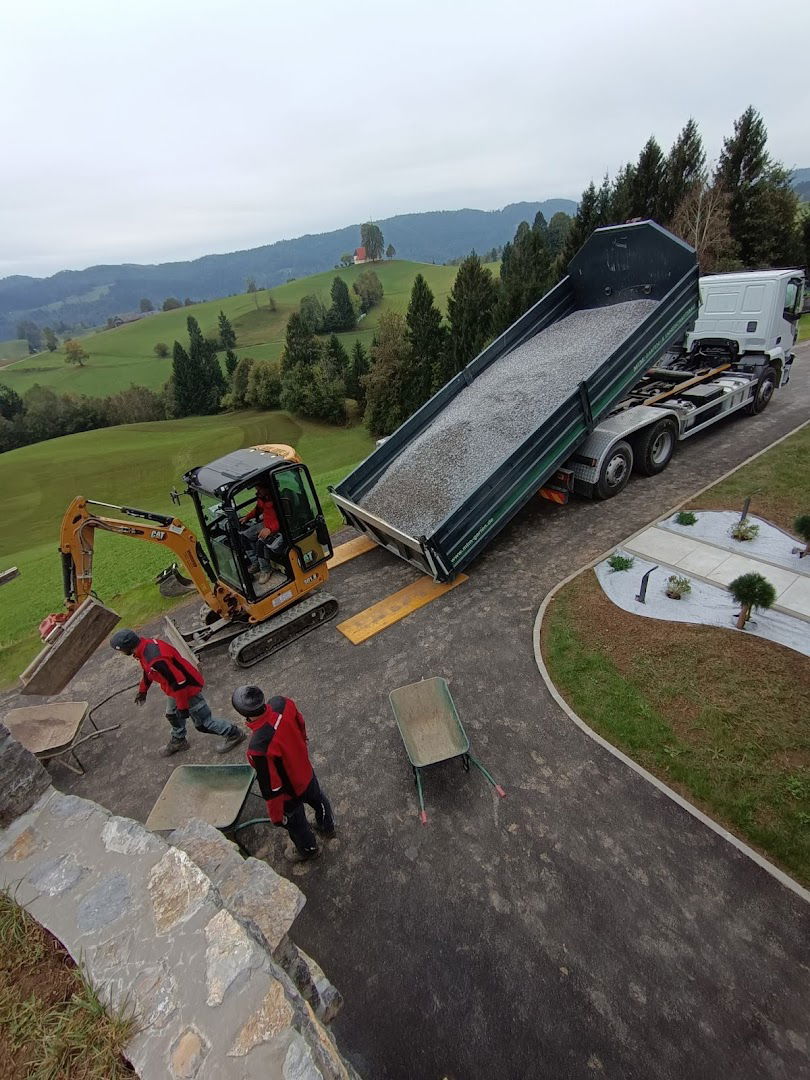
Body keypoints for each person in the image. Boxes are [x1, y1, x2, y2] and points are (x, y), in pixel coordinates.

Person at [232, 686, 334, 862]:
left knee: (297, 825)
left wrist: (277, 816)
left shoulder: (258, 747)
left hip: (289, 794)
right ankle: (328, 826)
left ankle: (309, 849)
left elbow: (271, 787)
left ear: (244, 715)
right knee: (319, 800)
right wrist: (302, 745)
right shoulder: (283, 703)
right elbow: (301, 723)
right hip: (305, 772)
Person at [110, 629, 246, 757]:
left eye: (120, 650)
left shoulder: (155, 659)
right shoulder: (145, 647)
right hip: (174, 689)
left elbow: (180, 683)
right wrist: (143, 690)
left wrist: (183, 708)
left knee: (203, 723)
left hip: (187, 689)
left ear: (127, 647)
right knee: (172, 715)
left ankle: (234, 734)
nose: (120, 653)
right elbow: (148, 671)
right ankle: (179, 740)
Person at [240, 479, 283, 585]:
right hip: (266, 524)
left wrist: (270, 529)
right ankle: (256, 563)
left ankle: (266, 569)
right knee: (244, 536)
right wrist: (247, 517)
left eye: (259, 490)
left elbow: (283, 518)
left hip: (278, 528)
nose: (257, 492)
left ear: (267, 488)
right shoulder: (263, 498)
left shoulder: (278, 499)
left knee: (261, 541)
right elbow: (258, 509)